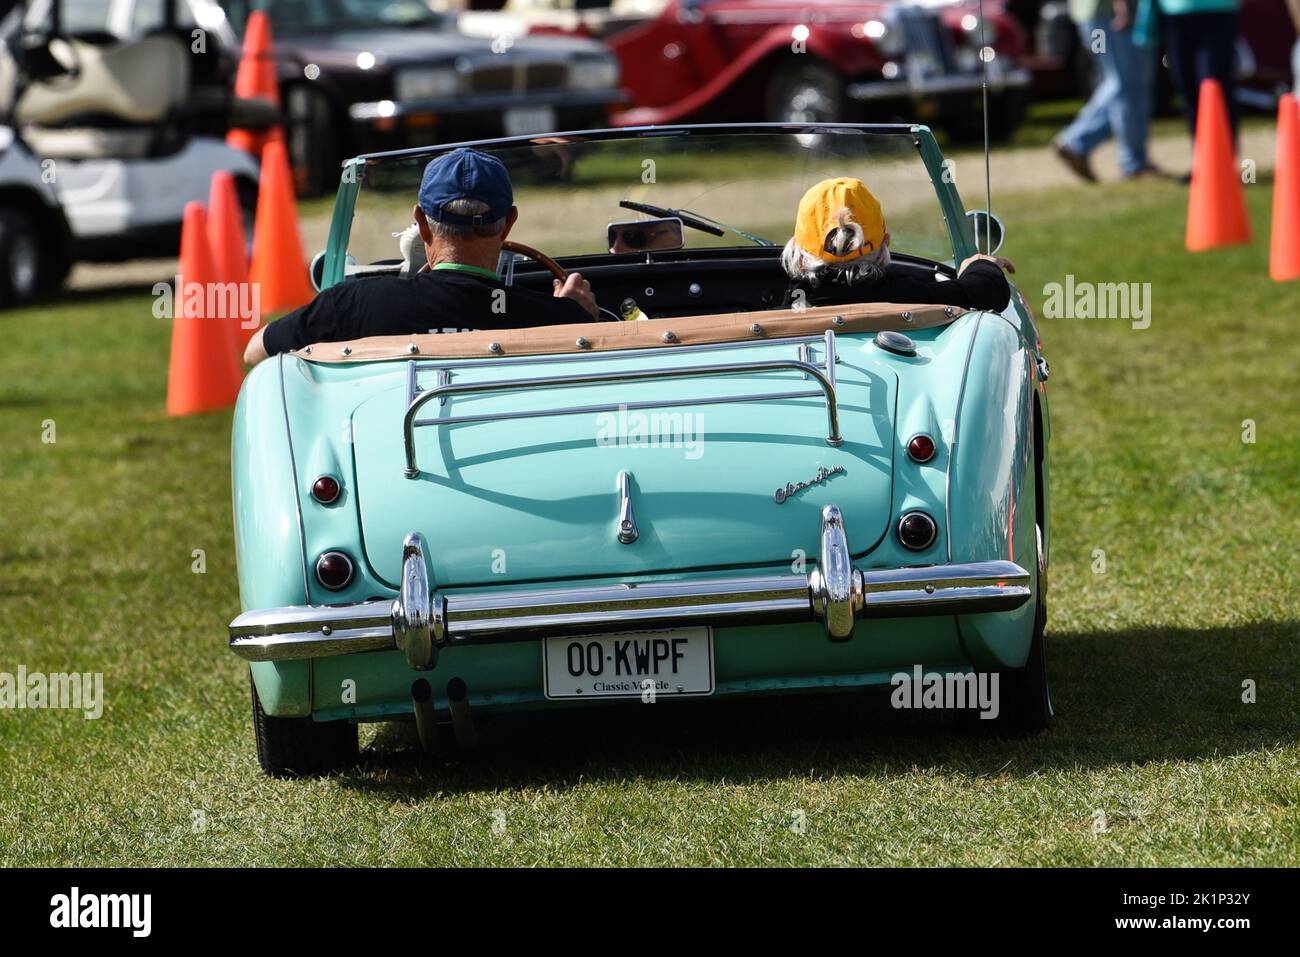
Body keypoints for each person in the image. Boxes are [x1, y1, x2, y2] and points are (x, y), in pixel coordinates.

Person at [244, 148, 598, 366]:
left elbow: (255, 352)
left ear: (420, 224)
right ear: (507, 225)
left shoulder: (352, 303)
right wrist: (576, 315)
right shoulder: (560, 321)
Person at [780, 177, 1014, 312]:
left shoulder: (785, 311)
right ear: (885, 242)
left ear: (798, 254)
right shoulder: (904, 297)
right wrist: (980, 264)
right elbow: (988, 292)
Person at [1054, 0, 1160, 181]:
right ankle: (1132, 163)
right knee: (1127, 85)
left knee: (1117, 82)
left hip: (1092, 20)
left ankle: (1077, 143)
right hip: (1111, 16)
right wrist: (1123, 6)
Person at [1135, 0, 1242, 142]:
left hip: (1218, 10)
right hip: (1174, 12)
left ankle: (1224, 150)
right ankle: (1201, 151)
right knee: (1186, 86)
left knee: (1214, 84)